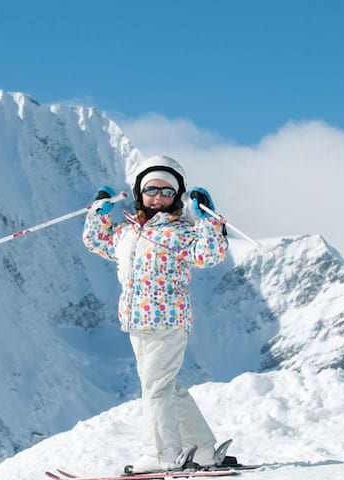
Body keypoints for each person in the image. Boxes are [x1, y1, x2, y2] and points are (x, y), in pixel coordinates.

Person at [82, 155, 228, 473]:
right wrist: (99, 213)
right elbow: (96, 242)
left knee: (157, 387)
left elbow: (209, 254)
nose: (158, 198)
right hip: (137, 321)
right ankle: (202, 449)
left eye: (166, 191)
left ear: (177, 196)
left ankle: (162, 453)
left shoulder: (181, 231)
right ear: (139, 192)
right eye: (151, 190)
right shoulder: (128, 232)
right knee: (166, 386)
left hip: (168, 320)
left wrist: (208, 219)